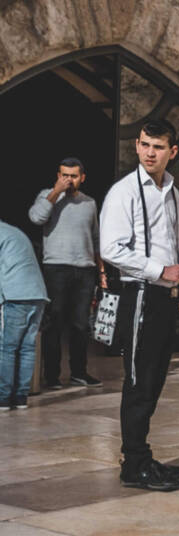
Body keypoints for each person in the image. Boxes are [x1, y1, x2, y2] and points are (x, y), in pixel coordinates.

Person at [100, 118, 179, 491]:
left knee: (155, 378)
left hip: (164, 296)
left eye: (157, 147)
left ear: (172, 152)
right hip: (140, 293)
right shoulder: (124, 192)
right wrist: (161, 270)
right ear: (137, 146)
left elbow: (172, 244)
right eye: (144, 144)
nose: (149, 153)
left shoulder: (171, 191)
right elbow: (110, 249)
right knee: (139, 380)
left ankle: (141, 456)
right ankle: (134, 464)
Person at [28, 157, 105, 390]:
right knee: (55, 322)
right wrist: (56, 192)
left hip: (85, 269)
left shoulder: (89, 202)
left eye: (73, 176)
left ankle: (79, 373)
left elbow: (96, 238)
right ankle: (52, 376)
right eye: (64, 175)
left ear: (82, 178)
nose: (68, 180)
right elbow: (36, 218)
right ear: (58, 176)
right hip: (56, 268)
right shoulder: (47, 196)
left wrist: (101, 270)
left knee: (81, 324)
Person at [0, 219, 48, 410]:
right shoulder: (13, 231)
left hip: (15, 295)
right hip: (38, 294)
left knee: (7, 348)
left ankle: (3, 397)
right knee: (27, 348)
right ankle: (21, 397)